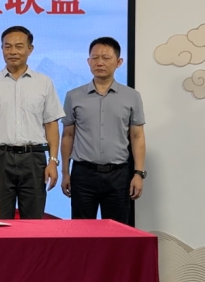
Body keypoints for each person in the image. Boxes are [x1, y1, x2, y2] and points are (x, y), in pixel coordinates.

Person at [0, 26, 64, 220]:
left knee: (34, 219)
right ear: (2, 49)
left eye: (19, 46)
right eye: (8, 46)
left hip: (34, 158)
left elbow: (51, 125)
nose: (13, 51)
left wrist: (53, 161)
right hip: (0, 158)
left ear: (30, 49)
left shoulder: (44, 83)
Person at [60, 37, 146, 224]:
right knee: (81, 231)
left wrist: (138, 174)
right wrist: (65, 173)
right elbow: (68, 136)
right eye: (95, 58)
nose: (99, 63)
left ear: (119, 62)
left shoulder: (132, 96)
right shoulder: (73, 96)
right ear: (88, 61)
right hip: (83, 174)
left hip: (118, 174)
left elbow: (137, 136)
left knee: (118, 231)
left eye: (106, 58)